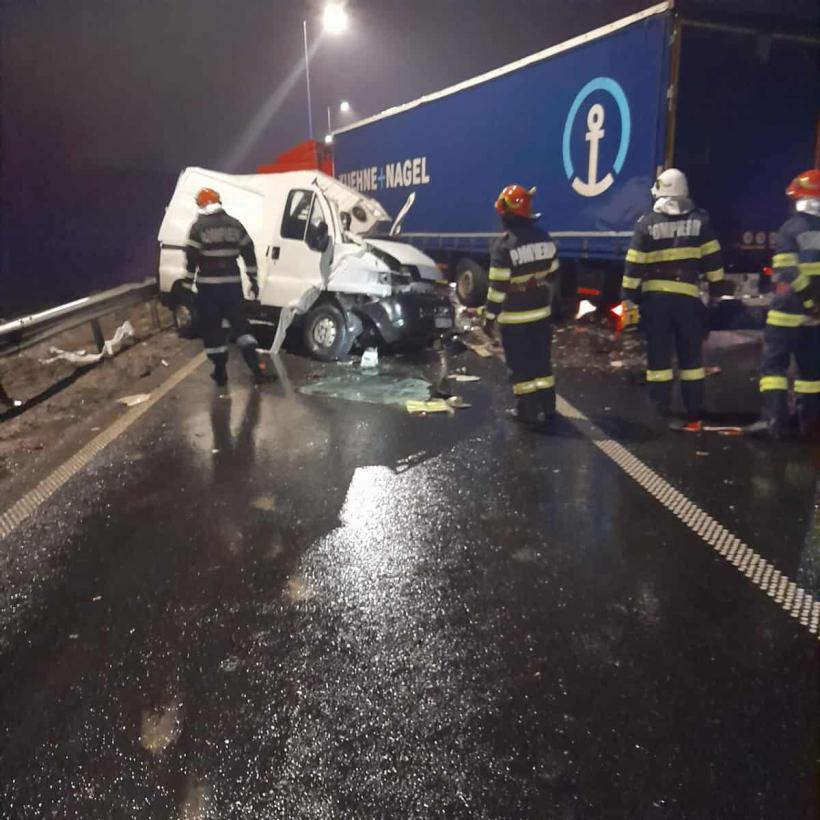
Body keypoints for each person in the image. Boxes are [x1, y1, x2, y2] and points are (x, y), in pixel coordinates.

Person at [621, 168, 725, 432]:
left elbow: (634, 265)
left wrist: (630, 298)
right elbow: (714, 263)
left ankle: (661, 410)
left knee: (659, 359)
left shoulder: (646, 223)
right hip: (688, 300)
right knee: (691, 361)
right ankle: (694, 411)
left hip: (655, 302)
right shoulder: (701, 222)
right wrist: (715, 295)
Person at [748, 169, 820, 439]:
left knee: (774, 369)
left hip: (788, 312)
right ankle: (809, 422)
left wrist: (808, 298)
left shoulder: (790, 229)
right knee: (811, 373)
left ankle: (774, 423)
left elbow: (788, 272)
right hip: (816, 315)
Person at [483, 184, 559, 431]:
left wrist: (489, 317)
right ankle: (547, 408)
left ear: (506, 213)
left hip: (514, 318)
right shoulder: (545, 237)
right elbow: (553, 272)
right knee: (541, 362)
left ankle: (526, 410)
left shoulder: (503, 247)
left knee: (520, 365)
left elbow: (497, 289)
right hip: (541, 313)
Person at [185, 188, 273, 387]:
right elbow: (248, 251)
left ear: (203, 204)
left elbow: (191, 257)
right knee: (241, 326)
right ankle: (256, 369)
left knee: (213, 330)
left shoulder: (198, 228)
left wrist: (187, 283)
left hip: (208, 290)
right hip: (232, 287)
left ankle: (220, 371)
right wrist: (253, 279)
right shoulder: (235, 225)